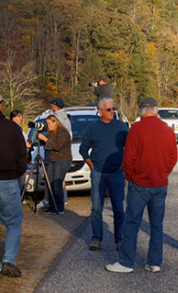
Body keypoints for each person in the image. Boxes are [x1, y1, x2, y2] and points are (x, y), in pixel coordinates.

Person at [106, 97, 178, 274]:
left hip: (140, 184)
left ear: (141, 111)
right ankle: (154, 262)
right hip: (160, 184)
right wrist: (163, 173)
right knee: (156, 225)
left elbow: (128, 158)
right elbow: (172, 158)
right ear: (156, 110)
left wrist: (131, 177)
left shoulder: (137, 128)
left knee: (131, 223)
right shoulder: (167, 129)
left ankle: (126, 262)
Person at [79, 97, 128, 251]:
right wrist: (90, 164)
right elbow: (83, 148)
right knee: (96, 208)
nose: (112, 112)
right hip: (98, 173)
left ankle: (119, 240)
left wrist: (124, 164)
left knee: (118, 208)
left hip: (116, 173)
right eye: (108, 109)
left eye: (113, 109)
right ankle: (96, 238)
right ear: (100, 111)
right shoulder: (92, 128)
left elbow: (131, 147)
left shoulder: (121, 127)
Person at [0, 95, 27, 277]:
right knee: (13, 222)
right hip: (7, 179)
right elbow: (21, 156)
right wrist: (16, 175)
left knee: (13, 221)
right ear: (1, 105)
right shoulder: (12, 128)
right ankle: (8, 259)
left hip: (9, 177)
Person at [37, 98, 72, 209]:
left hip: (61, 157)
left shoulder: (60, 126)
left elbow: (56, 145)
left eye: (49, 123)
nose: (48, 126)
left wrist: (45, 138)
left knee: (56, 182)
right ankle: (55, 205)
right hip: (55, 157)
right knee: (52, 181)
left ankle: (58, 206)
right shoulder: (65, 118)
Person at [10, 110, 32, 193]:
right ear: (13, 117)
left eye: (21, 116)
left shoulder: (19, 128)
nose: (21, 118)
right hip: (17, 160)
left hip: (23, 158)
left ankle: (19, 198)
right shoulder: (12, 128)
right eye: (19, 116)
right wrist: (24, 145)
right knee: (18, 181)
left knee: (21, 181)